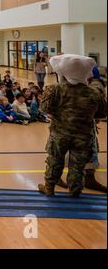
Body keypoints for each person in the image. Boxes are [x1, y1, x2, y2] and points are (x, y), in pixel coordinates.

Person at [38, 55, 107, 198]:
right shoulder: (94, 93)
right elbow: (101, 114)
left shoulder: (55, 89)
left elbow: (44, 108)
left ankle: (49, 188)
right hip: (84, 135)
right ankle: (75, 191)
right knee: (78, 164)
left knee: (55, 160)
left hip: (59, 133)